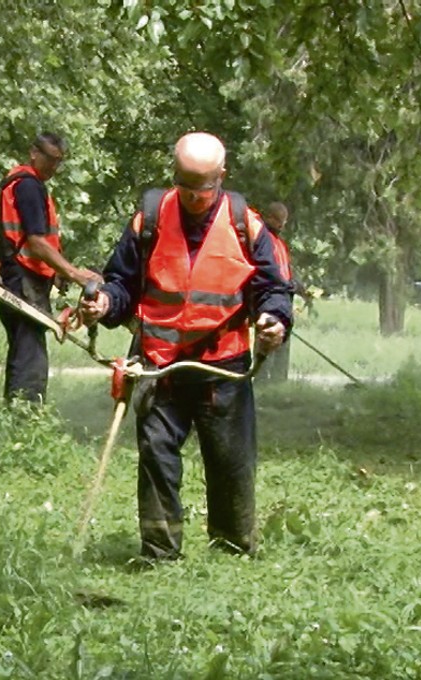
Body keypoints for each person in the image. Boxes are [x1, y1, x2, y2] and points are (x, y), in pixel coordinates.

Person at [81, 132, 292, 558]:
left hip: (223, 366)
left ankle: (233, 549)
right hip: (160, 365)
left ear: (221, 177)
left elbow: (274, 288)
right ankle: (160, 554)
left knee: (230, 462)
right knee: (156, 456)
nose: (195, 197)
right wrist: (104, 303)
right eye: (186, 185)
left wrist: (274, 319)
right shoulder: (150, 219)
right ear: (174, 176)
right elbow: (122, 283)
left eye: (205, 187)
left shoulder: (244, 224)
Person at [0, 132, 101, 405]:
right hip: (23, 282)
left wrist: (54, 272)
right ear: (34, 153)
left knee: (23, 349)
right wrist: (74, 274)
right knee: (31, 355)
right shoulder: (29, 186)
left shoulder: (18, 183)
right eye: (50, 159)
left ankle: (16, 412)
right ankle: (25, 418)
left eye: (59, 162)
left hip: (17, 278)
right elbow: (36, 242)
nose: (54, 167)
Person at [260, 201, 295, 382]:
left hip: (286, 297)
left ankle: (280, 380)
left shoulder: (280, 243)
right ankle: (261, 380)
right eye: (278, 220)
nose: (281, 225)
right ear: (268, 218)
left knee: (284, 340)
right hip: (269, 297)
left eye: (284, 221)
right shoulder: (263, 240)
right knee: (267, 337)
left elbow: (286, 269)